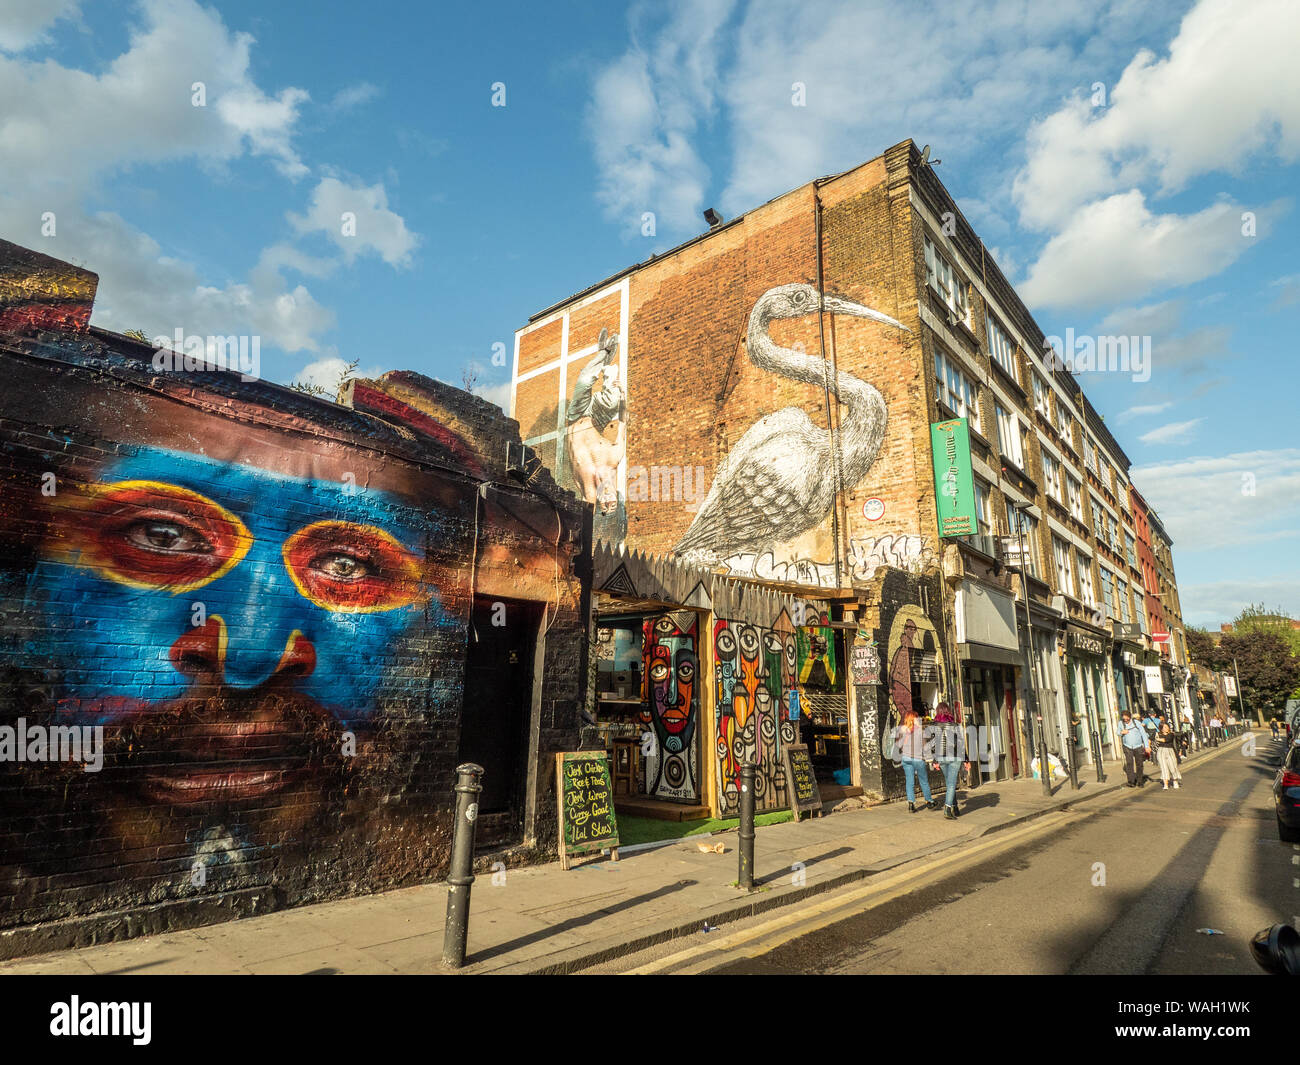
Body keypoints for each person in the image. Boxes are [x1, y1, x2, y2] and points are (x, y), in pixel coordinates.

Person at [929, 703, 970, 820]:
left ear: (937, 711)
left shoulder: (933, 726)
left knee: (949, 783)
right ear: (948, 711)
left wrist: (934, 760)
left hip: (941, 757)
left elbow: (932, 745)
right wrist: (966, 759)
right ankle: (947, 809)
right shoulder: (955, 725)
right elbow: (961, 743)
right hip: (954, 757)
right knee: (951, 784)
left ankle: (955, 806)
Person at [893, 708, 936, 813]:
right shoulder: (920, 731)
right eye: (917, 717)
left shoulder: (902, 729)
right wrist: (930, 760)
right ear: (914, 719)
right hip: (918, 759)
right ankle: (929, 801)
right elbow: (925, 747)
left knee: (909, 782)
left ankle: (911, 804)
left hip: (906, 758)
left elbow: (898, 745)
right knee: (923, 781)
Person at [1119, 710, 1150, 788]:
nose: (1126, 721)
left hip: (1138, 746)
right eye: (1124, 719)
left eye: (1127, 719)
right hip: (1127, 746)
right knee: (1129, 763)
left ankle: (1140, 781)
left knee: (1139, 764)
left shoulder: (1136, 723)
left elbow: (1143, 735)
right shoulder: (1120, 723)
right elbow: (1117, 732)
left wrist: (1146, 746)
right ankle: (1131, 781)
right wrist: (1122, 732)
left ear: (1130, 717)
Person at [1155, 722, 1182, 790]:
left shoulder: (1171, 734)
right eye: (1165, 727)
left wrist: (1158, 739)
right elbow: (1150, 739)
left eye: (1167, 727)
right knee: (1164, 767)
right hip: (1161, 751)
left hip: (1170, 751)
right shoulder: (1157, 734)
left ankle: (1175, 781)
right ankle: (1165, 784)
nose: (1167, 728)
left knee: (1173, 767)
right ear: (1161, 729)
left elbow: (1166, 740)